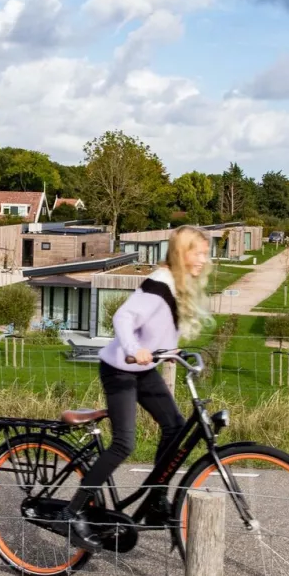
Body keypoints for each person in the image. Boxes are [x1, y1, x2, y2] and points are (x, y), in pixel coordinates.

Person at [62, 224, 211, 550]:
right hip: (120, 370)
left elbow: (156, 330)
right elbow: (124, 317)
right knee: (124, 444)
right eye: (197, 252)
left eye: (205, 253)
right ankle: (72, 514)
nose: (204, 259)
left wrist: (172, 352)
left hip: (143, 371)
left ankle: (156, 500)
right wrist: (132, 348)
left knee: (174, 427)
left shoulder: (175, 286)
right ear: (180, 253)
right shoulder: (159, 284)